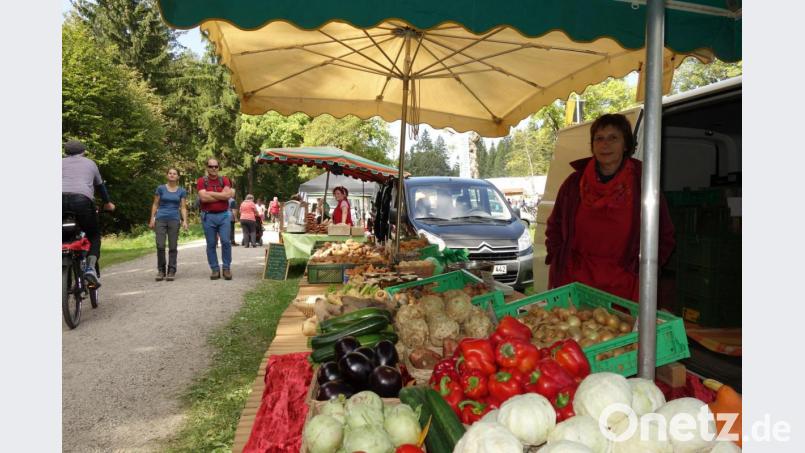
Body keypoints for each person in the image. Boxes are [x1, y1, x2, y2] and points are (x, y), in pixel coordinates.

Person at [544, 113, 675, 302]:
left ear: (626, 144)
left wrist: (645, 269)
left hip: (625, 285)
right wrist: (558, 258)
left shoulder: (643, 183)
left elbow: (665, 235)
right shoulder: (574, 184)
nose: (605, 144)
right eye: (599, 138)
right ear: (592, 145)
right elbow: (554, 226)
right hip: (576, 279)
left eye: (613, 138)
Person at [62, 140, 115, 286]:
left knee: (62, 238)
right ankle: (90, 268)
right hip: (82, 201)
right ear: (83, 151)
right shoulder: (90, 163)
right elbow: (100, 187)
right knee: (93, 235)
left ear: (66, 152)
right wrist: (108, 203)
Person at [197, 158, 234, 280]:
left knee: (225, 241)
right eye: (211, 166)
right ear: (207, 167)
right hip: (208, 216)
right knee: (211, 244)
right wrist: (221, 196)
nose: (213, 168)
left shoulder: (224, 180)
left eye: (216, 166)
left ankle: (226, 268)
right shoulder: (202, 181)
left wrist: (210, 194)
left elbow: (228, 195)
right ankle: (215, 269)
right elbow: (203, 198)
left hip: (224, 215)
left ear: (219, 167)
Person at [149, 168, 188, 281]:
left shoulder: (181, 191)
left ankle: (171, 270)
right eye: (170, 173)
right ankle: (161, 270)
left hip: (174, 220)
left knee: (173, 246)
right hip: (160, 219)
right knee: (160, 245)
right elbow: (155, 204)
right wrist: (152, 218)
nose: (172, 175)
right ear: (167, 175)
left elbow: (183, 207)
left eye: (174, 174)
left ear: (178, 177)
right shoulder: (160, 188)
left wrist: (184, 220)